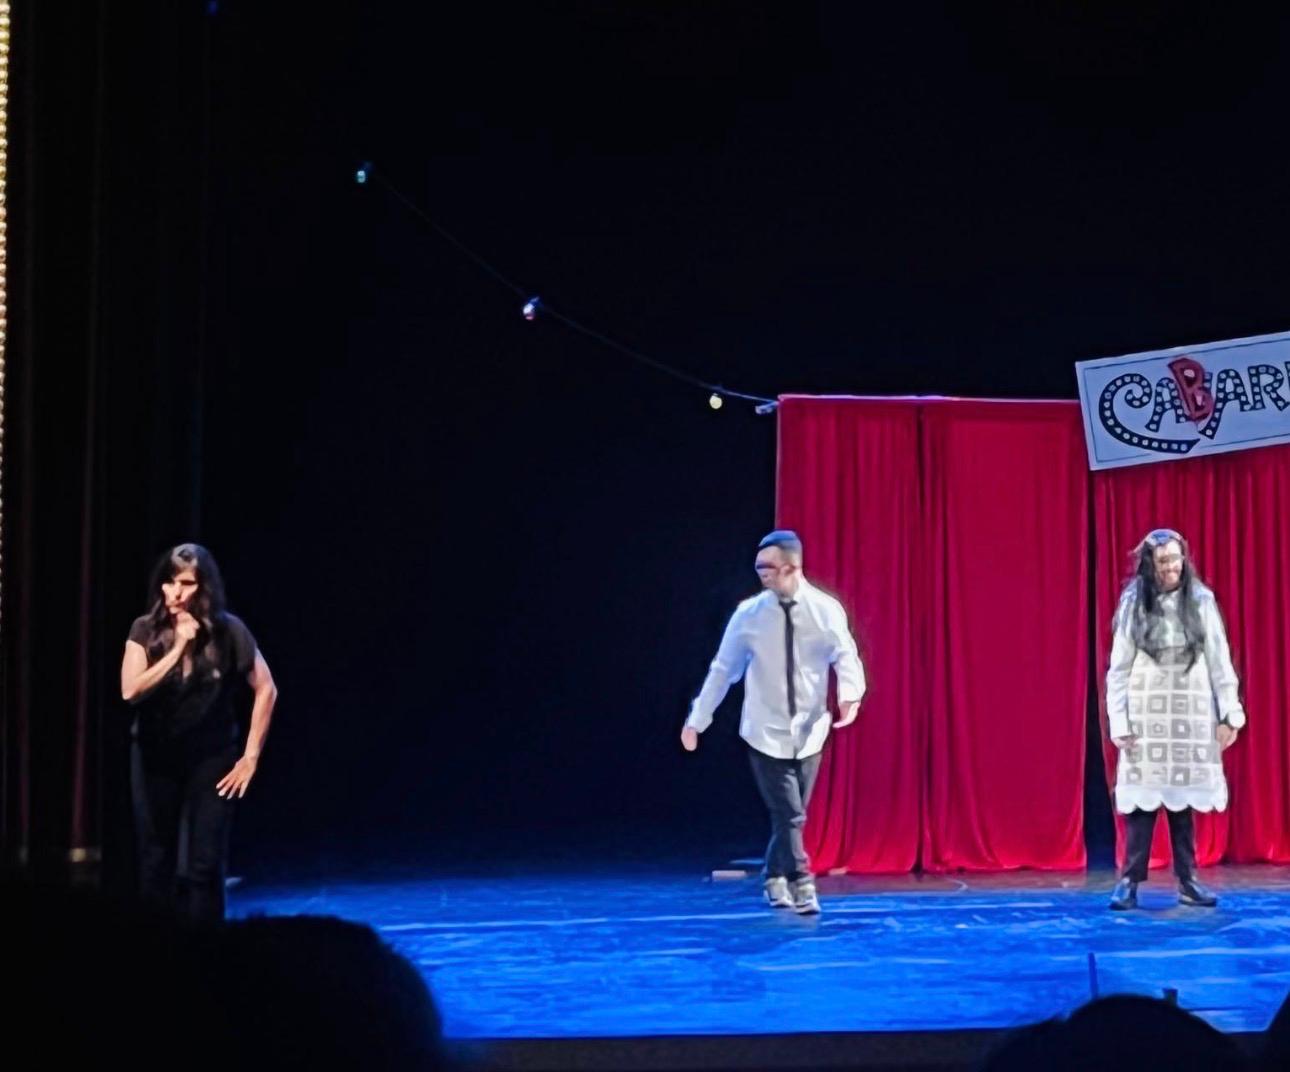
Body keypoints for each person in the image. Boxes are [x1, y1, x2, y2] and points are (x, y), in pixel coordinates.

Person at [681, 530, 865, 914]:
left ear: (791, 567)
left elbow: (844, 655)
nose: (761, 574)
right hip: (764, 731)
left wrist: (850, 695)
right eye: (758, 567)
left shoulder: (825, 610)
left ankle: (773, 875)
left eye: (768, 567)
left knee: (791, 817)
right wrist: (697, 719)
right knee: (790, 813)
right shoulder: (749, 616)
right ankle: (802, 881)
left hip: (810, 729)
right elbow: (723, 669)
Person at [120, 543, 278, 921]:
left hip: (211, 757)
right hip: (156, 756)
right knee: (156, 858)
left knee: (204, 865)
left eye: (186, 584)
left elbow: (267, 688)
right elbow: (130, 690)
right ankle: (158, 948)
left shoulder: (228, 632)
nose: (175, 593)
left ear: (204, 587)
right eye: (169, 583)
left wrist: (251, 755)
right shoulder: (145, 629)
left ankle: (208, 952)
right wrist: (177, 649)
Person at [1105, 529, 1244, 911]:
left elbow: (1220, 659)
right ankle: (1130, 881)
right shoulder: (1134, 602)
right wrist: (1120, 722)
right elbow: (1118, 669)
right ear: (1150, 565)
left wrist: (1230, 714)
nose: (1171, 568)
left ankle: (1188, 880)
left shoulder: (1200, 600)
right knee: (1142, 804)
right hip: (1147, 715)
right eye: (1163, 561)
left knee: (1182, 803)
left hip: (1189, 712)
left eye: (1175, 559)